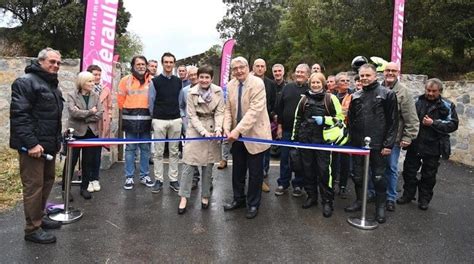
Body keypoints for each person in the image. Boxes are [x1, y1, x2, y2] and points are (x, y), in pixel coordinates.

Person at [10, 47, 63, 244]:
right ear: (40, 62)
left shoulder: (52, 85)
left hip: (49, 146)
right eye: (52, 62)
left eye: (58, 63)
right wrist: (31, 144)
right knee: (34, 187)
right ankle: (32, 229)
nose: (56, 65)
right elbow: (19, 116)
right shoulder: (25, 83)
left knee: (47, 182)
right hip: (33, 148)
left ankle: (39, 218)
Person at [345, 63, 398, 224]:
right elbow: (351, 121)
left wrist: (388, 145)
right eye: (362, 76)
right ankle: (360, 201)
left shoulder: (387, 94)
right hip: (358, 143)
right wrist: (350, 142)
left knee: (379, 177)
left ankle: (380, 207)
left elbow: (393, 121)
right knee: (358, 176)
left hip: (378, 144)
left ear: (375, 76)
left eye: (368, 75)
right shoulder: (355, 96)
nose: (365, 78)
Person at [398, 78, 458, 210]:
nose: (430, 93)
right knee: (408, 171)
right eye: (428, 90)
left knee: (429, 175)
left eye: (433, 91)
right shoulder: (416, 101)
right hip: (415, 144)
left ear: (440, 91)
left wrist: (434, 123)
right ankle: (408, 195)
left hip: (434, 146)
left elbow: (453, 124)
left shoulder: (447, 105)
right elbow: (408, 119)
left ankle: (424, 199)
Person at [223, 56, 272, 219]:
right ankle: (239, 199)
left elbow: (254, 112)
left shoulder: (257, 83)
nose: (238, 71)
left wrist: (236, 131)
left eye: (241, 67)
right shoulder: (230, 85)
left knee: (256, 173)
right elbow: (228, 110)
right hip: (237, 136)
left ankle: (253, 204)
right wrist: (226, 128)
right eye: (235, 68)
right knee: (238, 170)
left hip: (255, 135)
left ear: (247, 67)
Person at [292, 72, 344, 217]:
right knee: (307, 170)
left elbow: (340, 119)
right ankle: (311, 197)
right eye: (313, 83)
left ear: (323, 84)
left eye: (318, 83)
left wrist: (325, 120)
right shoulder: (304, 100)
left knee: (324, 172)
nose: (315, 85)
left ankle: (327, 201)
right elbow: (297, 119)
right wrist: (295, 140)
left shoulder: (331, 98)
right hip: (306, 141)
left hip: (324, 142)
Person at [177, 65, 225, 214]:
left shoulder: (218, 91)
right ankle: (184, 197)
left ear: (211, 78)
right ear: (198, 78)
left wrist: (218, 128)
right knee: (188, 164)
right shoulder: (191, 92)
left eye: (207, 77)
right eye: (201, 77)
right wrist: (203, 132)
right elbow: (191, 115)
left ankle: (205, 195)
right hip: (195, 129)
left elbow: (220, 112)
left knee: (208, 165)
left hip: (212, 128)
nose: (204, 80)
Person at [382, 62, 419, 212]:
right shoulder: (377, 88)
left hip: (394, 139)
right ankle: (373, 193)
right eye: (387, 70)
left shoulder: (404, 92)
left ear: (398, 73)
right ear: (383, 72)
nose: (390, 73)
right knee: (374, 167)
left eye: (393, 70)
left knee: (391, 168)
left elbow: (411, 118)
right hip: (377, 137)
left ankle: (390, 197)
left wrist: (408, 137)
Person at [118, 55, 154, 190]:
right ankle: (129, 177)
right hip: (130, 120)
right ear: (133, 66)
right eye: (138, 64)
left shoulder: (152, 81)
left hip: (146, 120)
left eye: (143, 64)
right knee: (130, 149)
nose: (141, 66)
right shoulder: (124, 81)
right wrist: (130, 111)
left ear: (146, 66)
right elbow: (121, 101)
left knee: (145, 149)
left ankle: (145, 175)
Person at [66, 71, 103, 199]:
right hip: (75, 133)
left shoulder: (96, 96)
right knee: (71, 162)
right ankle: (66, 190)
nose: (93, 84)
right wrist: (90, 112)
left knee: (88, 162)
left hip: (91, 132)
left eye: (93, 81)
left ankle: (84, 188)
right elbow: (73, 113)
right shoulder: (71, 95)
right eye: (90, 81)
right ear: (82, 82)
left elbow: (100, 113)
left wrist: (84, 115)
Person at [149, 52, 182, 193]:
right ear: (162, 63)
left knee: (174, 152)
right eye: (166, 62)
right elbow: (151, 101)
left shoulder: (178, 81)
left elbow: (180, 101)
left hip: (175, 119)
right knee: (158, 152)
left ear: (174, 64)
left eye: (171, 62)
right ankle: (158, 180)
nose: (168, 64)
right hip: (159, 120)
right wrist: (154, 118)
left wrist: (178, 115)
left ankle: (173, 179)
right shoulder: (155, 81)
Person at [274, 64, 309, 197]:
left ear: (308, 75)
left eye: (302, 72)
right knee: (285, 158)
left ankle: (298, 184)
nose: (299, 74)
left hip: (303, 132)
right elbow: (279, 108)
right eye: (297, 71)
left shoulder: (310, 89)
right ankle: (283, 183)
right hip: (287, 130)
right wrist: (280, 126)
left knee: (300, 159)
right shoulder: (287, 88)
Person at [86, 64, 112, 191]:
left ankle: (95, 178)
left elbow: (109, 106)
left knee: (97, 153)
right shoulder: (85, 90)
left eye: (99, 75)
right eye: (95, 74)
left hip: (101, 125)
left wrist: (109, 119)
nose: (97, 77)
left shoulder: (105, 89)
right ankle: (87, 179)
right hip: (88, 125)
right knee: (87, 154)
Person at [252, 58, 276, 192]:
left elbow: (273, 101)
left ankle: (264, 173)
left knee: (265, 148)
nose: (260, 68)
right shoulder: (247, 82)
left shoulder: (270, 84)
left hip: (265, 121)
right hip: (250, 121)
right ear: (253, 68)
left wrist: (271, 115)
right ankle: (254, 175)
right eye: (257, 66)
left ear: (265, 68)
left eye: (262, 66)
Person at [178, 66, 201, 190]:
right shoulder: (185, 90)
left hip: (204, 128)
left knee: (206, 155)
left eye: (195, 74)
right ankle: (194, 179)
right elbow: (181, 106)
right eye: (190, 75)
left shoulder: (206, 89)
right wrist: (183, 117)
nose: (193, 77)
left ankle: (209, 180)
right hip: (189, 127)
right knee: (192, 154)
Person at [332, 72, 353, 199]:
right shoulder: (332, 96)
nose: (345, 82)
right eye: (342, 80)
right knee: (333, 159)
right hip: (334, 131)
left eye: (347, 80)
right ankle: (333, 182)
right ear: (337, 83)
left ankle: (343, 186)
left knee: (345, 159)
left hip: (347, 131)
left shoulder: (353, 96)